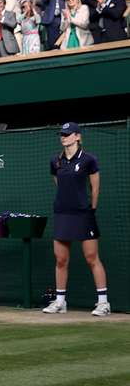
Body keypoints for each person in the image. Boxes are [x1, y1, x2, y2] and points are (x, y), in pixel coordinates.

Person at [43, 122, 110, 317]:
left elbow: (95, 187)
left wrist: (91, 208)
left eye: (67, 134)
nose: (63, 137)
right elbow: (59, 184)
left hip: (83, 214)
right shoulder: (55, 161)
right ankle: (61, 302)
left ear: (77, 137)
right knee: (61, 259)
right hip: (62, 213)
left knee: (91, 258)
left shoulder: (89, 160)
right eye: (62, 134)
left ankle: (103, 303)